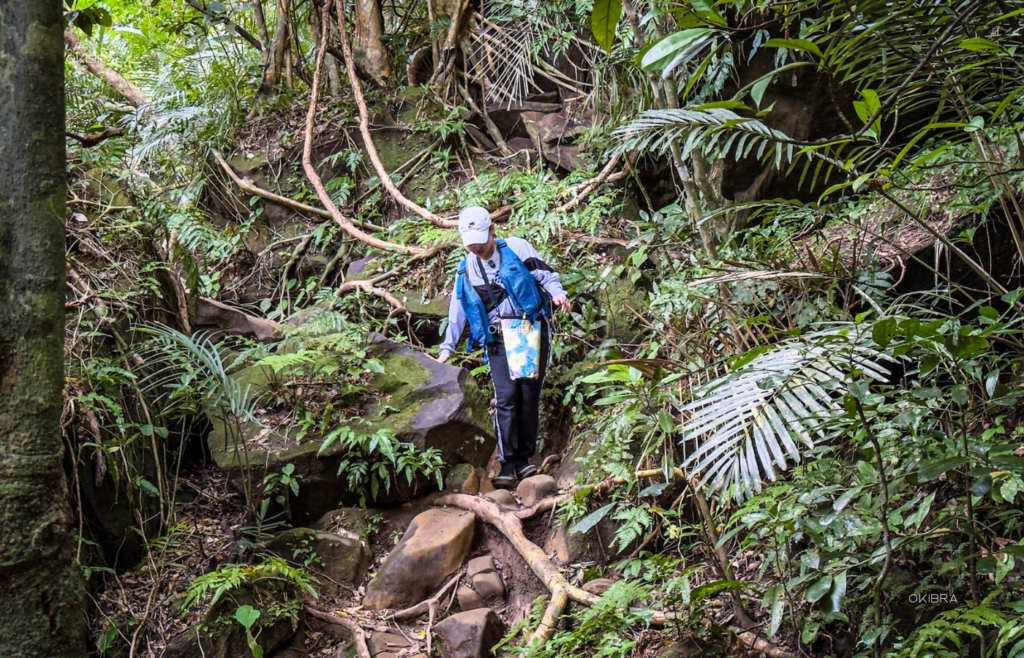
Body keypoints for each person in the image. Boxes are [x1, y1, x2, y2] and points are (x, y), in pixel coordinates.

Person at [434, 206, 570, 487]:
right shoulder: (467, 268)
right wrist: (447, 348)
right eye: (471, 244)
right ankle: (507, 463)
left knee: (528, 394)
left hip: (528, 330)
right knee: (506, 397)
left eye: (480, 242)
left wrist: (558, 295)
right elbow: (458, 310)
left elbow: (546, 275)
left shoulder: (517, 249)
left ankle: (524, 460)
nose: (476, 248)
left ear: (492, 231)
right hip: (497, 338)